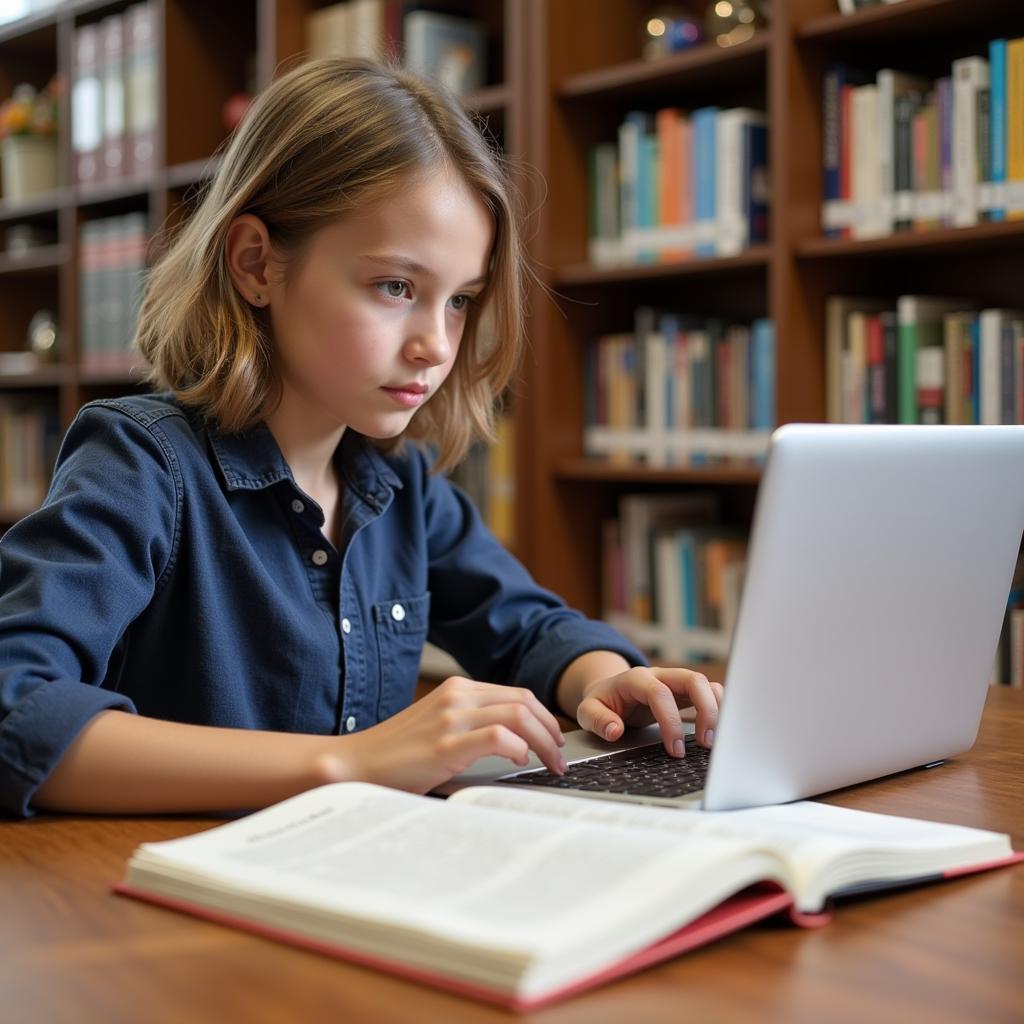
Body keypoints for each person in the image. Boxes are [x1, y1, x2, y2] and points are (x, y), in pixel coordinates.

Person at [0, 57, 721, 819]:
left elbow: (532, 628)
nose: (436, 346)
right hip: (154, 904)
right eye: (396, 288)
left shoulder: (399, 484)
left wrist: (603, 680)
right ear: (257, 265)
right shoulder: (141, 464)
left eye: (459, 301)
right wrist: (346, 762)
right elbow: (15, 710)